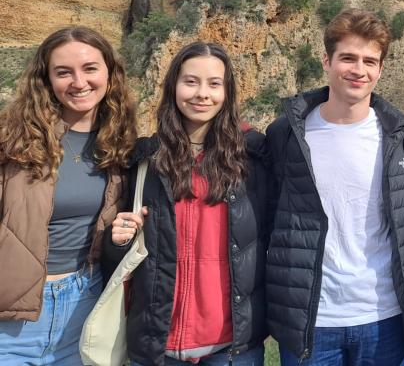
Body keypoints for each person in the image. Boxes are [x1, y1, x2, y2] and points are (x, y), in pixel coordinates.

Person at [265, 9, 404, 366]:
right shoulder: (287, 134)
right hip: (312, 321)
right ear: (327, 61)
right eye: (348, 58)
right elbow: (269, 218)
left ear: (381, 69)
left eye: (370, 61)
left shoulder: (400, 137)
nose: (359, 70)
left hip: (384, 315)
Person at [102, 42, 268, 365]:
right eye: (191, 81)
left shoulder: (253, 158)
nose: (202, 94)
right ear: (173, 86)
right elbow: (118, 257)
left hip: (232, 348)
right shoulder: (144, 161)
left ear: (228, 91)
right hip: (157, 345)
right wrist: (116, 241)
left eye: (214, 84)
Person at [0, 27, 137, 365]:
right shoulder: (11, 140)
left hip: (85, 306)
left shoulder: (121, 144)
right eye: (64, 72)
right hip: (11, 318)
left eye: (90, 68)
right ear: (46, 79)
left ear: (109, 72)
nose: (79, 82)